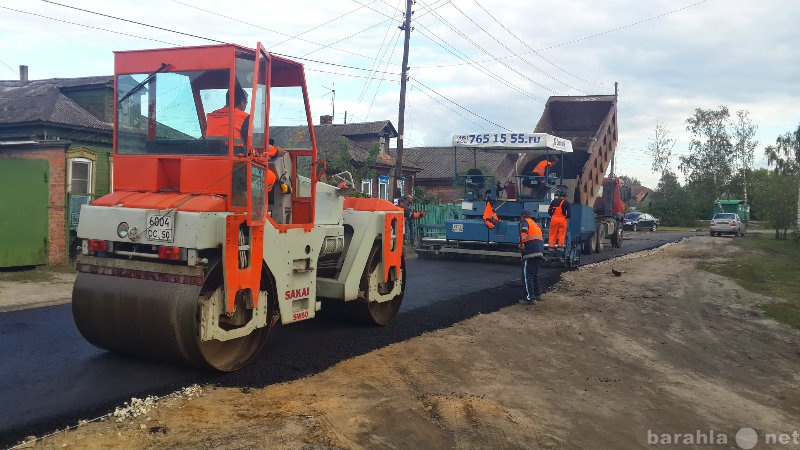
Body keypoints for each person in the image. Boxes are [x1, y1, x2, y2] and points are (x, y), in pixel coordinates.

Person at [519, 210, 544, 303]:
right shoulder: (535, 224)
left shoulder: (525, 222)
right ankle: (538, 294)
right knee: (535, 275)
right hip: (539, 251)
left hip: (531, 252)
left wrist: (521, 243)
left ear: (522, 217)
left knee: (527, 275)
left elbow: (524, 234)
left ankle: (529, 298)